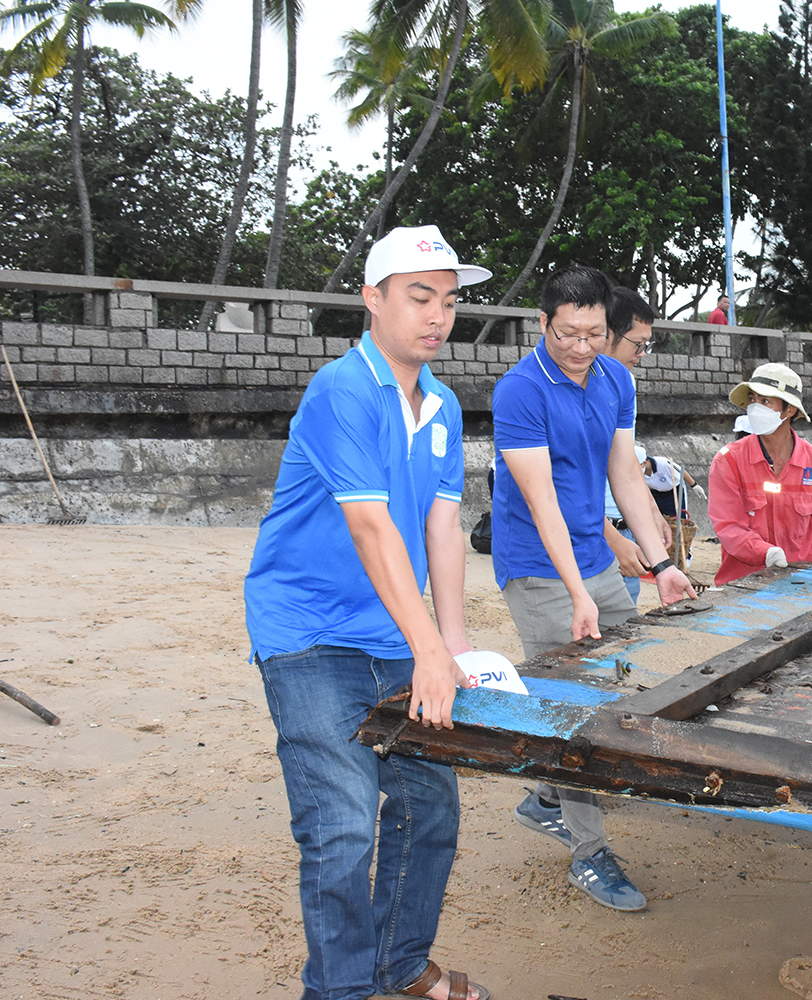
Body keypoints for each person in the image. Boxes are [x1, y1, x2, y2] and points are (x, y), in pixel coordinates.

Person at [243, 225, 491, 1000]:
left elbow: (442, 527)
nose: (437, 317)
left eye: (449, 302)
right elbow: (371, 524)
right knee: (343, 823)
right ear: (373, 299)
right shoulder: (340, 391)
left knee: (430, 808)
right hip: (308, 632)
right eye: (420, 297)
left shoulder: (444, 403)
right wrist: (425, 645)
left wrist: (450, 646)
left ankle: (400, 964)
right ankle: (341, 991)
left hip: (397, 630)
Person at [491, 265, 697, 913]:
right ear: (543, 323)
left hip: (592, 555)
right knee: (573, 707)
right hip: (536, 562)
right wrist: (578, 591)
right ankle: (588, 852)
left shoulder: (617, 378)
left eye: (594, 333)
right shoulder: (519, 390)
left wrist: (662, 565)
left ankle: (547, 793)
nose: (581, 347)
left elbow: (626, 478)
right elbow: (542, 499)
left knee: (623, 680)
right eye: (567, 334)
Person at [707, 362, 812, 585]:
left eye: (765, 401)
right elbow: (729, 526)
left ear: (790, 410)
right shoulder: (729, 460)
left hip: (800, 581)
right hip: (744, 585)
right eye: (753, 399)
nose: (756, 407)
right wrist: (765, 553)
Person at [599, 285, 671, 605]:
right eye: (638, 344)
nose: (642, 354)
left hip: (625, 531)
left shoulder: (624, 382)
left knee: (622, 636)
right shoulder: (561, 387)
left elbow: (625, 464)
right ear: (607, 334)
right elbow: (556, 488)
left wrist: (652, 511)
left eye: (647, 345)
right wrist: (612, 540)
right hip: (589, 536)